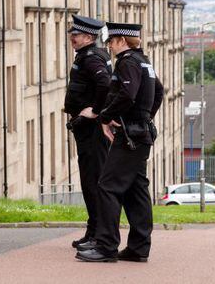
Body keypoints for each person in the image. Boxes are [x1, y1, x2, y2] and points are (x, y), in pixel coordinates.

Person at [75, 22, 164, 263]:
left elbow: (127, 94)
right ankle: (138, 247)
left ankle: (106, 246)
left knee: (107, 186)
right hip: (140, 133)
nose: (110, 47)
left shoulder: (127, 63)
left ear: (122, 41)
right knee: (136, 190)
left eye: (112, 42)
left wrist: (106, 117)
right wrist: (146, 116)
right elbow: (158, 92)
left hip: (129, 136)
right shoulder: (144, 61)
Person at [63, 15, 112, 249]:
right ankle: (93, 230)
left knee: (93, 181)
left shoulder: (92, 58)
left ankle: (98, 234)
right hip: (87, 130)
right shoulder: (89, 55)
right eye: (72, 34)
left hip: (91, 130)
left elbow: (105, 84)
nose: (72, 38)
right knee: (89, 180)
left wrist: (95, 110)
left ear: (89, 37)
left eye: (76, 35)